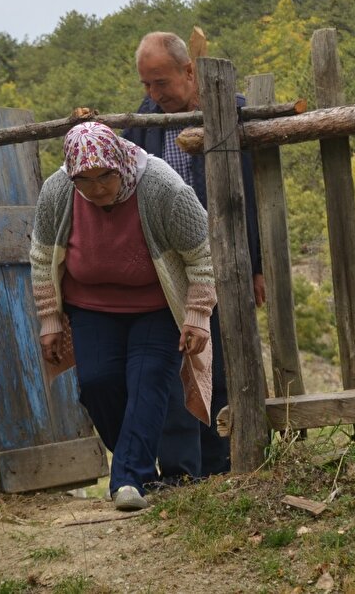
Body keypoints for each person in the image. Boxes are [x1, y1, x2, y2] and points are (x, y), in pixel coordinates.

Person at [30, 122, 217, 511]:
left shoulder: (162, 188)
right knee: (98, 384)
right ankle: (138, 464)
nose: (97, 189)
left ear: (119, 163)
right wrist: (49, 320)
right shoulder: (58, 191)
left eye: (105, 178)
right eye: (85, 181)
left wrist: (197, 315)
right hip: (91, 306)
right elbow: (42, 256)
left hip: (155, 306)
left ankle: (129, 479)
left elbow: (201, 254)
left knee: (147, 380)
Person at [122, 31, 265, 482]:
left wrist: (257, 266)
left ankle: (224, 463)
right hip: (167, 267)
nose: (153, 94)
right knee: (176, 361)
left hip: (223, 258)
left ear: (189, 71)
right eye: (146, 84)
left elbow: (249, 198)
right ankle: (184, 471)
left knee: (221, 359)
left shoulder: (227, 112)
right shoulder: (143, 124)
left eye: (161, 82)